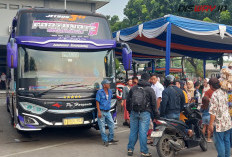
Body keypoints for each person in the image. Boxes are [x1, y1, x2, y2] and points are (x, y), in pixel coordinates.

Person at [126, 73, 159, 157]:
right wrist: (155, 115)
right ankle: (144, 152)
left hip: (134, 112)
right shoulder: (150, 89)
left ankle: (130, 149)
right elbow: (154, 104)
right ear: (148, 79)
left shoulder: (133, 88)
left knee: (133, 132)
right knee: (143, 133)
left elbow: (128, 101)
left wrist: (130, 111)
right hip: (145, 113)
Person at [208, 78, 231, 157]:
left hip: (219, 123)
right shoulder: (224, 92)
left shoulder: (214, 95)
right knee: (226, 141)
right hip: (227, 121)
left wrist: (210, 124)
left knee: (220, 142)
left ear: (211, 86)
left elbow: (213, 112)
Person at [96, 79, 118, 147]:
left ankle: (110, 138)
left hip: (108, 111)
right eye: (108, 84)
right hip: (101, 111)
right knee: (102, 127)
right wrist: (99, 111)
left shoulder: (110, 91)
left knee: (112, 124)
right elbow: (97, 102)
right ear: (104, 85)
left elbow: (110, 100)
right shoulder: (99, 92)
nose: (109, 85)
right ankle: (105, 140)